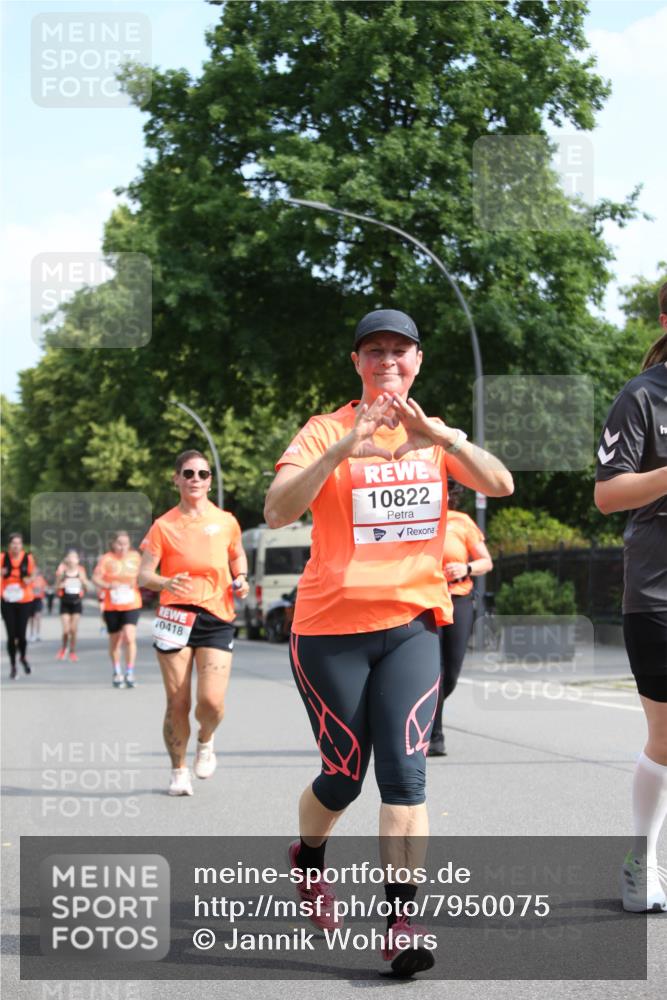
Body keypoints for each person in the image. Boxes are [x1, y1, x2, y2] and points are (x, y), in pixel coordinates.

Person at [264, 309, 513, 976]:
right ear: (356, 363)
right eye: (372, 351)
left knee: (404, 777)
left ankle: (401, 921)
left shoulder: (432, 433)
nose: (386, 362)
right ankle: (308, 859)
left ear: (417, 361)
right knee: (343, 776)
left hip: (412, 625)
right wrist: (346, 447)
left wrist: (441, 438)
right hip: (329, 630)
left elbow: (499, 482)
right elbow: (277, 509)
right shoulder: (323, 430)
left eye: (398, 352)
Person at [595, 283, 667, 914]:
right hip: (659, 589)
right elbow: (609, 494)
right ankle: (641, 860)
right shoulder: (642, 396)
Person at [138, 449, 249, 797]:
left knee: (211, 702)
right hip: (175, 615)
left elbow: (237, 555)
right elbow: (143, 574)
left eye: (202, 474)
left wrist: (242, 577)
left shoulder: (227, 521)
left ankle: (206, 738)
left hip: (216, 615)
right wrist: (164, 583)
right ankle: (178, 771)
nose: (196, 480)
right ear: (176, 479)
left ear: (210, 480)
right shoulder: (163, 525)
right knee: (177, 702)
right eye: (188, 473)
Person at [428, 478, 493, 757]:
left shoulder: (461, 521)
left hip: (459, 599)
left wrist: (465, 567)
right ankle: (434, 736)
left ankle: (423, 712)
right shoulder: (416, 520)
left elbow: (486, 562)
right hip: (427, 600)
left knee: (451, 674)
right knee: (435, 672)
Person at [93, 530, 143, 689]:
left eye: (125, 544)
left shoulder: (136, 557)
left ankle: (130, 672)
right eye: (119, 543)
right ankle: (117, 671)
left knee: (129, 636)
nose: (122, 547)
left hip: (131, 603)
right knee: (115, 641)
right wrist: (108, 585)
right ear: (113, 544)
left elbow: (145, 575)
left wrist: (137, 583)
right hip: (112, 604)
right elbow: (95, 578)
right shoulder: (106, 559)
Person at [1, 533, 36, 678]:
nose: (16, 546)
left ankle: (23, 656)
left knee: (21, 635)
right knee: (11, 635)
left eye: (18, 543)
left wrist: (29, 579)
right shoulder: (2, 558)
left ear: (22, 545)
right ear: (9, 545)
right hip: (7, 600)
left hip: (24, 600)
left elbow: (33, 574)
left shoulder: (28, 558)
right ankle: (13, 665)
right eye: (13, 543)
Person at [55, 549, 90, 662]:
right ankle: (64, 648)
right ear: (66, 559)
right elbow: (56, 589)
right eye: (70, 557)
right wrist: (61, 585)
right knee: (66, 630)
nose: (72, 560)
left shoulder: (81, 571)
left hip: (76, 603)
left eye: (74, 557)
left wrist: (83, 582)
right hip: (65, 603)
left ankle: (73, 651)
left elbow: (86, 588)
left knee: (73, 630)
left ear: (78, 560)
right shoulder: (62, 572)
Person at [28, 567, 47, 643]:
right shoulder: (29, 579)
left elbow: (44, 587)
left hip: (38, 600)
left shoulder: (41, 579)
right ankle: (32, 634)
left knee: (38, 617)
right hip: (30, 599)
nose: (35, 572)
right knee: (31, 618)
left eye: (36, 570)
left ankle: (38, 634)